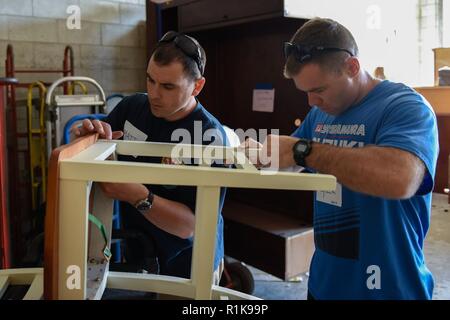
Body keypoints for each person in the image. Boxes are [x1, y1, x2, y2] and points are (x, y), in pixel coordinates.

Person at [246, 18, 438, 299]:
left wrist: (302, 150)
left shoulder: (404, 106)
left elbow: (400, 179)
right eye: (306, 92)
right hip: (325, 284)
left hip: (388, 288)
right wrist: (264, 156)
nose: (312, 101)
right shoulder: (321, 113)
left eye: (319, 90)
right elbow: (296, 160)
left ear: (352, 67)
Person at [73, 31, 227, 284]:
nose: (154, 94)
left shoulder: (209, 136)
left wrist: (137, 195)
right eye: (150, 80)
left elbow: (191, 226)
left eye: (168, 86)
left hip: (188, 262)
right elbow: (98, 146)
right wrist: (86, 139)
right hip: (140, 249)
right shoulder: (132, 107)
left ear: (197, 86)